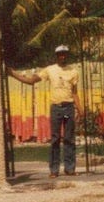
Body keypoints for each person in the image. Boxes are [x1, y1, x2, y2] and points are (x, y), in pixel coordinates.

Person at [8, 45, 81, 177]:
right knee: (55, 139)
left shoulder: (73, 72)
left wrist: (81, 110)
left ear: (67, 55)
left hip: (68, 107)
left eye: (64, 54)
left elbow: (75, 93)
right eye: (60, 54)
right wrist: (13, 74)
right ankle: (54, 170)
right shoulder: (50, 70)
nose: (62, 56)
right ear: (56, 56)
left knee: (69, 139)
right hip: (56, 108)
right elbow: (31, 81)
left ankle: (70, 169)